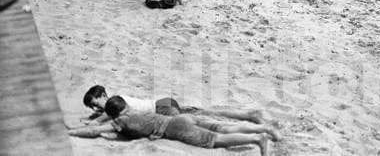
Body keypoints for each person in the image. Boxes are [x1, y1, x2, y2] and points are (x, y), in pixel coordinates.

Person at [67, 96, 276, 154]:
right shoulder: (136, 110)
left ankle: (257, 138)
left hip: (174, 128)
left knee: (216, 140)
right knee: (222, 128)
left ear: (112, 114)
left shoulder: (119, 121)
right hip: (177, 118)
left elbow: (95, 130)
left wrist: (73, 132)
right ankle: (262, 128)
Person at [82, 85, 265, 125]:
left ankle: (246, 120)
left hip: (163, 108)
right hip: (164, 102)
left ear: (103, 95)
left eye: (94, 103)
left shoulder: (112, 104)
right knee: (206, 112)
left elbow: (98, 121)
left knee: (202, 121)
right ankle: (248, 115)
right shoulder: (117, 99)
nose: (95, 108)